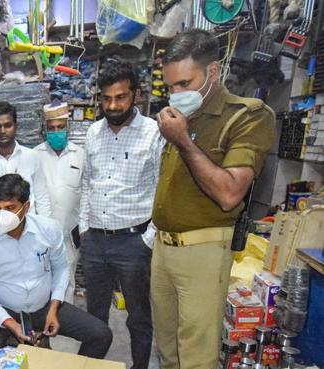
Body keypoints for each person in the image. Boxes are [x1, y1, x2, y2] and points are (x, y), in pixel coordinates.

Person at [152, 29, 275, 369]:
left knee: (196, 355)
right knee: (167, 349)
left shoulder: (247, 115)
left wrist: (184, 142)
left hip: (203, 251)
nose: (176, 94)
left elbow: (229, 193)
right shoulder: (181, 117)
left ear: (213, 72)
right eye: (170, 86)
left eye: (185, 84)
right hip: (163, 250)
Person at [0, 174, 113, 364]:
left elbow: (61, 268)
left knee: (101, 334)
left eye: (10, 208)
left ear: (26, 207)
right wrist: (9, 322)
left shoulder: (48, 230)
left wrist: (54, 307)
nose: (1, 215)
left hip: (44, 307)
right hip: (5, 309)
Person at [78, 58, 163, 369]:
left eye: (120, 97)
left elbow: (161, 188)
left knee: (139, 317)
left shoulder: (154, 133)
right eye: (106, 98)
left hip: (134, 242)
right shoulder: (92, 133)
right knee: (94, 318)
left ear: (136, 95)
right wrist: (85, 228)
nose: (113, 105)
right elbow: (86, 182)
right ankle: (92, 366)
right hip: (96, 241)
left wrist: (148, 239)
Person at [0, 101, 51, 235]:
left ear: (16, 126)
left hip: (28, 233)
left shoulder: (32, 157)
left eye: (7, 125)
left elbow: (42, 197)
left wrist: (44, 231)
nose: (2, 131)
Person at [34, 101, 84, 302]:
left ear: (67, 127)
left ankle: (65, 324)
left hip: (68, 234)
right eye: (51, 128)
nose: (56, 132)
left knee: (67, 281)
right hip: (40, 234)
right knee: (41, 281)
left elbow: (86, 193)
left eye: (60, 127)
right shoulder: (34, 155)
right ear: (45, 129)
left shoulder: (80, 155)